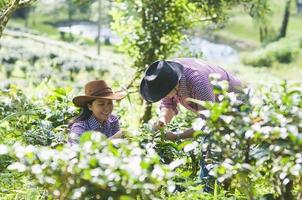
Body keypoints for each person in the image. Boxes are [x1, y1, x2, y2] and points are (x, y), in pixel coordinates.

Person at [139, 58, 243, 187]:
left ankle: (210, 187)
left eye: (164, 94)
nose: (163, 97)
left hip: (236, 103)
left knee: (211, 145)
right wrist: (162, 120)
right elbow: (168, 103)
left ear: (174, 85)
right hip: (214, 108)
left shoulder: (198, 83)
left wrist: (177, 135)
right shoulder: (166, 75)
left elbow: (208, 123)